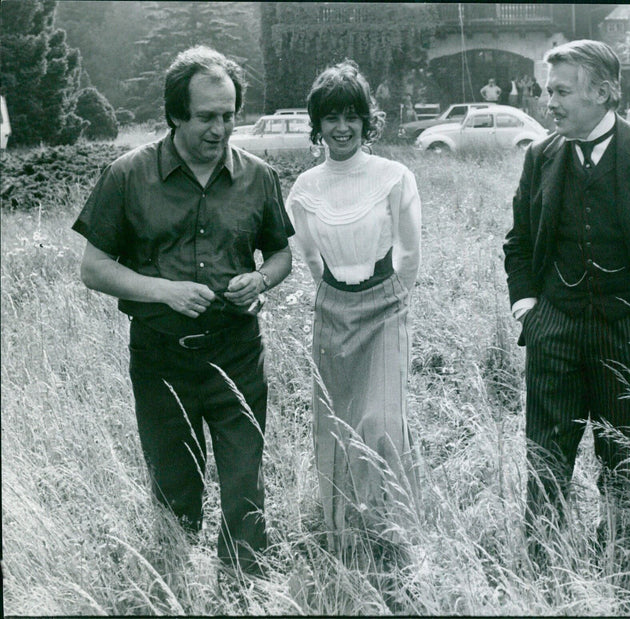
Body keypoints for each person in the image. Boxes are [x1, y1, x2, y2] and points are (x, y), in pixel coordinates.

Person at [72, 46, 295, 577]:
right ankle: (174, 587)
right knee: (175, 494)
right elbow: (94, 267)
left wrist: (260, 279)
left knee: (245, 489)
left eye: (229, 115)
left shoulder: (259, 176)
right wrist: (163, 291)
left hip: (238, 356)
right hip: (160, 361)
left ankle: (242, 588)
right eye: (206, 118)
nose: (220, 129)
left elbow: (282, 253)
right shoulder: (127, 175)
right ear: (175, 114)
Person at [503, 40, 630, 565]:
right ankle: (541, 554)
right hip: (555, 328)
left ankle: (618, 551)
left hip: (627, 333)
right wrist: (528, 308)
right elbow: (519, 242)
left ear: (603, 92)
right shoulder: (540, 155)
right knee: (545, 451)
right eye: (549, 90)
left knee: (621, 454)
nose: (549, 102)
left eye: (561, 91)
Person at [286, 60, 422, 558]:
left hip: (384, 308)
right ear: (317, 125)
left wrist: (388, 298)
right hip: (332, 312)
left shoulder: (394, 176)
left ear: (367, 122)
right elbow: (309, 257)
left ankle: (394, 530)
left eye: (351, 117)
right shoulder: (304, 189)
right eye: (330, 118)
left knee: (381, 422)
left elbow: (409, 254)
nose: (341, 128)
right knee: (338, 425)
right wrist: (337, 295)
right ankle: (348, 533)